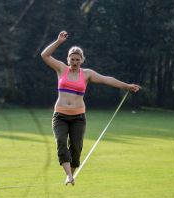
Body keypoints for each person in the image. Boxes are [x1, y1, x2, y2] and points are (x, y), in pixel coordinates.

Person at [41, 31, 140, 185]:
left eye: (77, 59)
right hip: (60, 115)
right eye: (72, 59)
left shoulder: (87, 74)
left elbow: (107, 79)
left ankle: (71, 174)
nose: (75, 62)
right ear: (68, 59)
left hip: (78, 117)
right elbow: (45, 55)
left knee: (76, 147)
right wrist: (58, 41)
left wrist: (126, 86)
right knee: (61, 141)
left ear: (81, 60)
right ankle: (68, 175)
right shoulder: (61, 69)